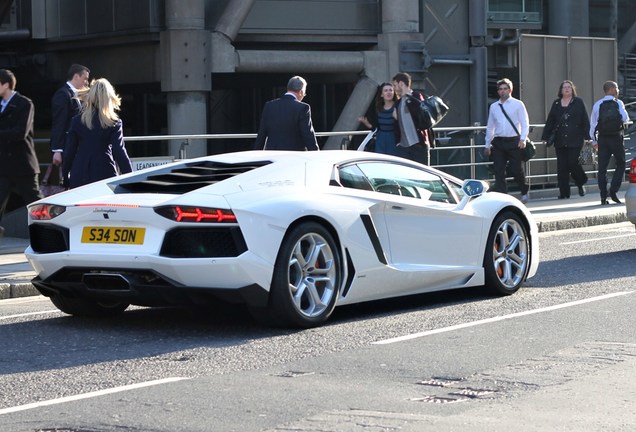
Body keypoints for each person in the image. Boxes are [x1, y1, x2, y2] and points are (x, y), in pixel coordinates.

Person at [62, 78, 132, 189]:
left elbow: (69, 152)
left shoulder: (77, 121)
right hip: (105, 173)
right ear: (109, 97)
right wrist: (130, 177)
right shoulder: (113, 123)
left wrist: (65, 176)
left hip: (79, 174)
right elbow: (119, 152)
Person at [0, 69, 42, 238]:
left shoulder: (25, 104)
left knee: (35, 201)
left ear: (5, 85)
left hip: (22, 163)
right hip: (4, 164)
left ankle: (47, 230)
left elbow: (20, 132)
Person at [541, 80, 591, 199]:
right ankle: (564, 193)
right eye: (564, 87)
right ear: (561, 90)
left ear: (572, 89)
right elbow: (550, 121)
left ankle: (581, 181)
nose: (567, 89)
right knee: (562, 167)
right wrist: (545, 136)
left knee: (573, 163)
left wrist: (589, 137)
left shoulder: (578, 102)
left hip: (575, 138)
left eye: (569, 87)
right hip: (560, 139)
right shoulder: (556, 103)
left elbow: (585, 120)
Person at [484, 78, 530, 203]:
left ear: (510, 90)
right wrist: (487, 144)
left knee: (516, 169)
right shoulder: (494, 106)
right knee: (498, 169)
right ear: (498, 91)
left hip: (514, 140)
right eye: (500, 89)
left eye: (505, 89)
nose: (503, 91)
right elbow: (490, 126)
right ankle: (503, 196)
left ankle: (524, 190)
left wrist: (523, 139)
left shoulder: (518, 104)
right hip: (499, 141)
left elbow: (525, 123)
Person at [589, 80, 630, 205]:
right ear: (612, 89)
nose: (618, 90)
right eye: (616, 88)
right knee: (621, 163)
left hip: (603, 139)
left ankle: (603, 196)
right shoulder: (618, 103)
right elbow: (625, 118)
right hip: (616, 138)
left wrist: (594, 140)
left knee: (602, 168)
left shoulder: (597, 104)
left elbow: (593, 124)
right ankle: (613, 190)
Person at [254, 75, 319, 151]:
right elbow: (308, 136)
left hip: (273, 155)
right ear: (301, 92)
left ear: (288, 88)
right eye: (304, 94)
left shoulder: (269, 106)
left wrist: (257, 154)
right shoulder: (303, 108)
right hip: (295, 156)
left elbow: (261, 135)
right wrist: (316, 154)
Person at [50, 64, 90, 167]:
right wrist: (57, 150)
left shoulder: (76, 94)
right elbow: (59, 122)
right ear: (76, 77)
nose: (87, 82)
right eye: (85, 79)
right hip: (68, 146)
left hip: (78, 145)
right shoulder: (63, 94)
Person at [391, 72, 436, 165]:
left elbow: (422, 115)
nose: (394, 89)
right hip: (403, 147)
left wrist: (408, 98)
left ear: (401, 84)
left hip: (419, 144)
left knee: (422, 174)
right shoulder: (398, 103)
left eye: (395, 85)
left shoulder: (416, 96)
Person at [358, 82, 399, 155]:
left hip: (394, 139)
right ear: (381, 94)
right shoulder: (378, 108)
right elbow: (376, 128)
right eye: (386, 91)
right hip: (381, 139)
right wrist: (366, 123)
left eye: (391, 90)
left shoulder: (398, 106)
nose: (389, 92)